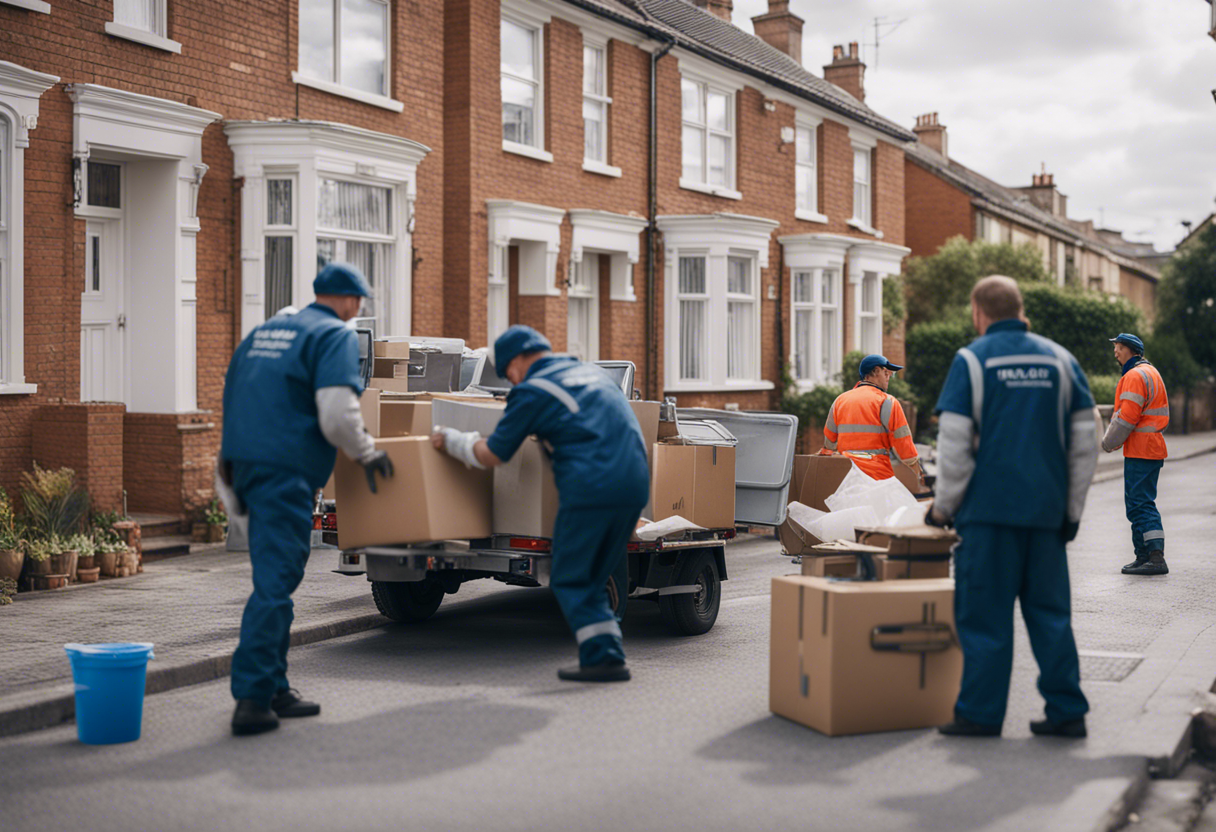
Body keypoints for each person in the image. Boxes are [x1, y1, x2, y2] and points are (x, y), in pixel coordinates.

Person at [217, 263, 394, 736]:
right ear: (352, 302)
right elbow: (337, 415)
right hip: (285, 472)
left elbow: (233, 398)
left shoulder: (262, 334)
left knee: (275, 576)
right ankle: (253, 698)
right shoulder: (333, 335)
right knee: (276, 583)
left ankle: (274, 685)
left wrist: (230, 483)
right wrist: (368, 453)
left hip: (245, 468)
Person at [928, 275, 1099, 739]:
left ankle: (980, 715)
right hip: (1045, 516)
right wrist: (1072, 510)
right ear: (1020, 309)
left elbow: (956, 445)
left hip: (987, 517)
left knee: (984, 617)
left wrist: (942, 508)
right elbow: (1087, 442)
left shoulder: (972, 359)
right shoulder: (1061, 361)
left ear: (979, 312)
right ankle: (1067, 711)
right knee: (1051, 615)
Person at [431, 325, 649, 683]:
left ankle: (604, 659)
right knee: (594, 577)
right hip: (635, 484)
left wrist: (453, 439)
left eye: (508, 374)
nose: (511, 382)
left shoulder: (533, 391)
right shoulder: (590, 374)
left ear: (517, 360)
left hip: (591, 488)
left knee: (569, 576)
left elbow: (492, 454)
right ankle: (606, 655)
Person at [1101, 333, 1169, 576]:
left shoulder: (1134, 376)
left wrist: (1107, 443)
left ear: (1129, 349)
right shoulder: (1151, 372)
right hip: (1150, 447)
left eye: (1118, 348)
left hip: (1142, 450)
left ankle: (1155, 557)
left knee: (1140, 503)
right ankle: (1143, 556)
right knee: (1137, 503)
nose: (1115, 352)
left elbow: (1126, 417)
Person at [823, 354, 924, 485]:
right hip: (877, 477)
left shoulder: (840, 401)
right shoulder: (887, 402)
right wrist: (917, 471)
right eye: (887, 373)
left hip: (846, 477)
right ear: (876, 371)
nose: (889, 378)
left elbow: (829, 443)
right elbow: (903, 443)